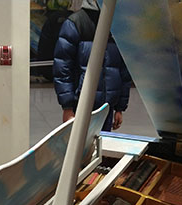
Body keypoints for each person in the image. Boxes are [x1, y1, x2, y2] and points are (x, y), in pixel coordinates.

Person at [53, 0, 132, 131]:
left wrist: (119, 108)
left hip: (108, 107)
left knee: (103, 147)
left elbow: (123, 68)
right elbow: (62, 67)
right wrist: (67, 107)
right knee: (82, 150)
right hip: (82, 106)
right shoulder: (76, 23)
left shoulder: (117, 24)